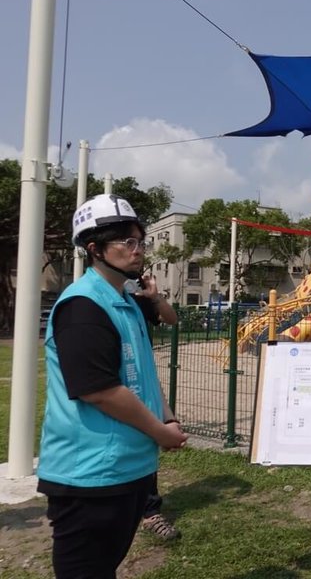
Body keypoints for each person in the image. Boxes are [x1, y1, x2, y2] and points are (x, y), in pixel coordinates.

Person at [37, 194, 188, 578]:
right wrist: (159, 431)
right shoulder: (82, 307)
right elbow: (99, 389)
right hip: (90, 474)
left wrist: (167, 418)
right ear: (94, 249)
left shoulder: (124, 300)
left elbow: (141, 372)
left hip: (126, 467)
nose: (139, 251)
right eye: (128, 243)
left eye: (141, 242)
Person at [129, 275, 182, 541]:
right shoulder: (91, 299)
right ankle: (123, 507)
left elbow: (171, 319)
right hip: (115, 381)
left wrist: (155, 296)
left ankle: (150, 512)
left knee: (145, 445)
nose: (135, 250)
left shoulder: (138, 298)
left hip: (141, 378)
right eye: (128, 243)